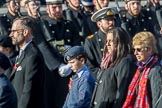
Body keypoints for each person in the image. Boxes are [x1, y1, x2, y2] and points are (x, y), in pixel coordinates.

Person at [90, 27, 137, 108]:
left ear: (120, 42)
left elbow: (122, 93)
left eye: (111, 41)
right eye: (106, 41)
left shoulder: (125, 62)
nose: (107, 44)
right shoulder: (107, 62)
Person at [9, 16, 45, 108]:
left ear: (25, 32)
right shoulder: (23, 53)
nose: (10, 35)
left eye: (14, 31)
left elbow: (29, 90)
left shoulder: (32, 55)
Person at [122, 31, 162, 108]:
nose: (135, 53)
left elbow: (156, 100)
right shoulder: (141, 68)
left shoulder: (155, 70)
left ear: (149, 50)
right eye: (134, 50)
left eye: (139, 50)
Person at [84, 7, 117, 77]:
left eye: (112, 19)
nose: (111, 22)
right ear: (99, 24)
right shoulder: (91, 41)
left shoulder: (119, 38)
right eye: (107, 20)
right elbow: (90, 66)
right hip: (102, 79)